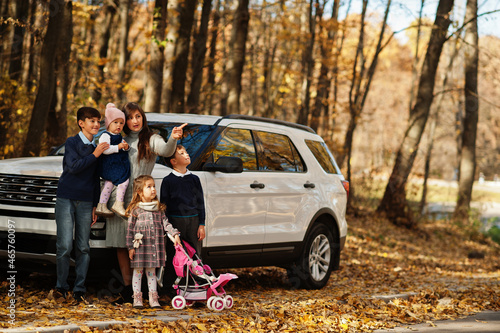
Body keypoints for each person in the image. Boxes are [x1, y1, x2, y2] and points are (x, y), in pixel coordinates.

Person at [106, 102, 186, 305]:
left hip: (141, 201)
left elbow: (167, 151)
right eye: (130, 117)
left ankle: (144, 291)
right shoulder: (117, 138)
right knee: (121, 245)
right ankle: (127, 290)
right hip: (118, 200)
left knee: (141, 244)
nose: (134, 121)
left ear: (143, 117)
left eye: (138, 116)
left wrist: (173, 139)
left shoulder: (151, 139)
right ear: (124, 121)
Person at [54, 107, 110, 303]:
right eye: (92, 121)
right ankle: (61, 287)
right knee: (64, 245)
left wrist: (95, 205)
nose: (96, 125)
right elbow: (73, 167)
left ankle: (79, 289)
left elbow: (96, 179)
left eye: (98, 121)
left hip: (86, 202)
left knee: (83, 247)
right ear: (81, 123)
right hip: (66, 198)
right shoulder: (72, 142)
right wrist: (95, 154)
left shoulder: (98, 146)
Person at [126, 175, 181, 308]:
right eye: (149, 187)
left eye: (154, 186)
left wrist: (174, 234)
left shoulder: (159, 209)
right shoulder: (135, 209)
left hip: (153, 246)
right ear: (139, 191)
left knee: (151, 273)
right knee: (138, 272)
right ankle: (137, 298)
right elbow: (129, 230)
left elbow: (166, 224)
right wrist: (130, 247)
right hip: (140, 247)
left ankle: (153, 298)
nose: (153, 189)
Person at [160, 144, 206, 297]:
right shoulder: (168, 181)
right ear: (173, 160)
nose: (187, 154)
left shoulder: (194, 179)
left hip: (193, 222)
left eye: (186, 151)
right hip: (175, 223)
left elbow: (201, 203)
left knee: (194, 255)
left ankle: (195, 289)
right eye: (182, 153)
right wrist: (168, 228)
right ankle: (170, 289)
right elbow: (164, 206)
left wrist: (201, 224)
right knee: (175, 255)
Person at [96, 103, 130, 218]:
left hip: (115, 164)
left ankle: (102, 205)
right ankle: (118, 204)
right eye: (115, 122)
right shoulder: (105, 135)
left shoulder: (119, 136)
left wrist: (126, 147)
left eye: (121, 123)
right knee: (124, 181)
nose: (118, 125)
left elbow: (123, 146)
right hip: (109, 165)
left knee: (109, 184)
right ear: (108, 123)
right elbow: (104, 150)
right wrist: (118, 147)